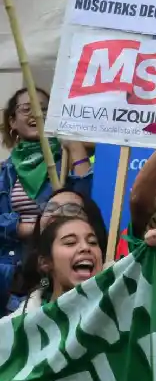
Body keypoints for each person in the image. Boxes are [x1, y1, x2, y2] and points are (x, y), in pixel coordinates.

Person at [0, 86, 91, 301]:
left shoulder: (65, 161)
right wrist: (21, 228)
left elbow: (88, 201)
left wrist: (76, 148)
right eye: (27, 109)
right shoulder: (4, 173)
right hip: (14, 274)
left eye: (43, 109)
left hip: (56, 266)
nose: (36, 114)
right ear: (12, 121)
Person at [7, 188, 108, 314]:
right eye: (70, 242)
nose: (56, 214)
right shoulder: (18, 321)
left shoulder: (117, 290)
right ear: (45, 262)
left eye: (71, 209)